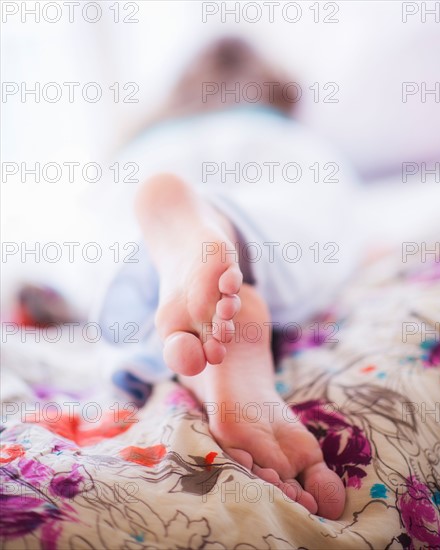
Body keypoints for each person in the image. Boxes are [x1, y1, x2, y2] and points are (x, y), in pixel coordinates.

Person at [98, 37, 366, 520]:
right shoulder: (287, 132)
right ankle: (228, 231)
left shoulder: (149, 135)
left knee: (109, 261)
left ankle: (187, 324)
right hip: (271, 142)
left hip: (147, 159)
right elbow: (347, 227)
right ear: (279, 92)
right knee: (301, 231)